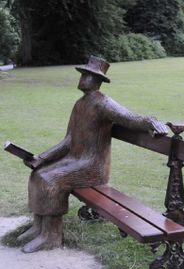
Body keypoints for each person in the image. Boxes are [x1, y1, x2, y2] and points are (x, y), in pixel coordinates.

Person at [18, 56, 168, 253]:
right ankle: (39, 227)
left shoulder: (103, 103)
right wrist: (42, 158)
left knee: (50, 179)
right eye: (82, 75)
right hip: (76, 160)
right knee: (38, 173)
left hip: (92, 167)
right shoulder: (80, 105)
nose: (81, 79)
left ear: (96, 80)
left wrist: (150, 121)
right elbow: (68, 141)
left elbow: (128, 118)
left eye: (86, 75)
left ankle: (52, 236)